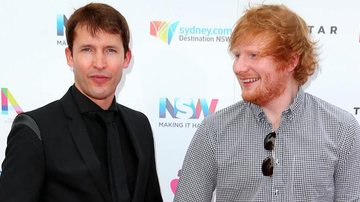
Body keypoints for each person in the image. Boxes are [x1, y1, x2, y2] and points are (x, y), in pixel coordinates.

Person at [174, 4, 360, 201]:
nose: (238, 67)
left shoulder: (341, 129)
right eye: (237, 55)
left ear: (290, 61)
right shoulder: (214, 130)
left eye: (253, 55)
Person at [0, 3, 163, 202]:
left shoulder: (140, 126)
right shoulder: (35, 129)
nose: (100, 63)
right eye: (87, 50)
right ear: (70, 56)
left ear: (126, 58)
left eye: (110, 50)